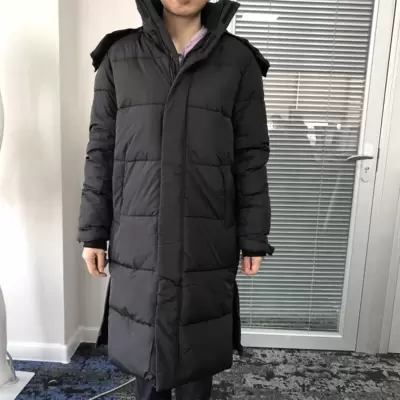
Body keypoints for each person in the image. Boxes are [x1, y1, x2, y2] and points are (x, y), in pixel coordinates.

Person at [77, 0, 273, 398]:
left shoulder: (238, 61)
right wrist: (93, 233)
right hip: (138, 234)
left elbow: (250, 155)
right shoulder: (119, 56)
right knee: (146, 354)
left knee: (197, 351)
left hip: (206, 235)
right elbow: (101, 150)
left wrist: (254, 236)